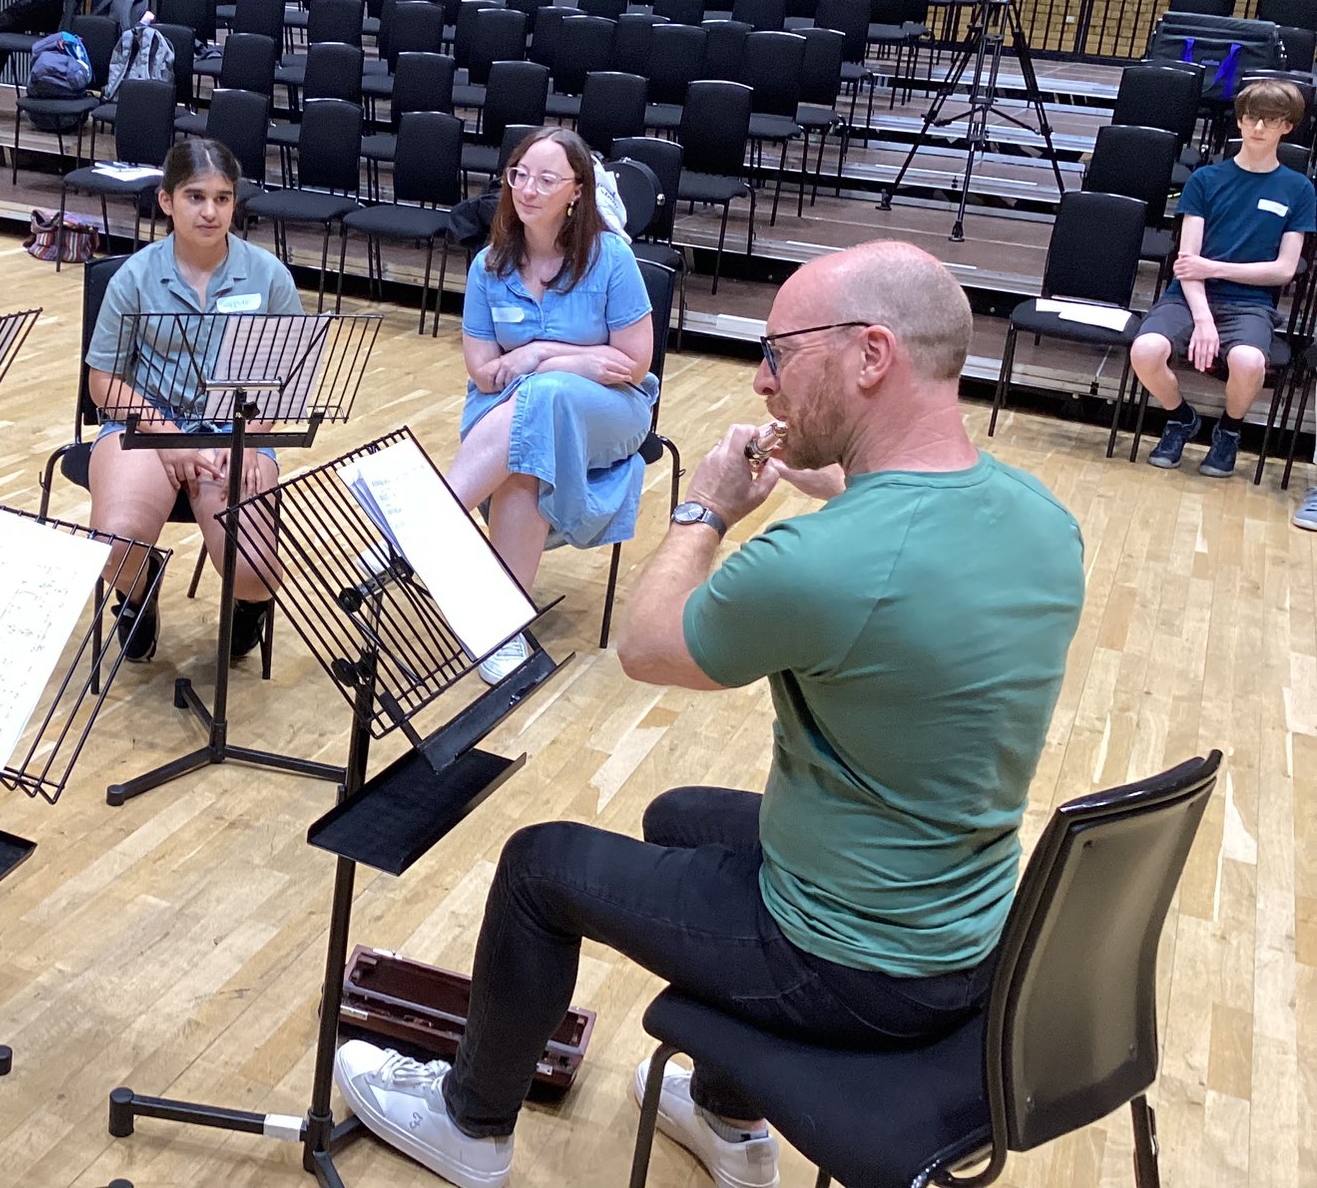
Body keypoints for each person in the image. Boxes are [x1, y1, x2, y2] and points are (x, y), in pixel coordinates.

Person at [332, 242, 1086, 1188]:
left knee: (538, 867)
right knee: (681, 817)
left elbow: (648, 647)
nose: (764, 382)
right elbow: (908, 554)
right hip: (965, 938)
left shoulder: (824, 563)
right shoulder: (1038, 516)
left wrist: (706, 510)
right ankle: (730, 1115)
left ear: (871, 355)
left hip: (847, 967)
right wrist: (843, 481)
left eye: (782, 353)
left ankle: (469, 1126)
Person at [446, 127, 656, 681]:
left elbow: (632, 364)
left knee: (545, 394)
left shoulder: (610, 258)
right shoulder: (488, 265)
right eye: (519, 175)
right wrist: (571, 358)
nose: (527, 189)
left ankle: (432, 519)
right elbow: (485, 372)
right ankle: (501, 626)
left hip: (611, 409)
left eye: (545, 179)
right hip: (504, 411)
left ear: (576, 191)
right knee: (528, 450)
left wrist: (544, 358)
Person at [83, 136, 305, 660]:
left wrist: (246, 440)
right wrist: (168, 437)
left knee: (256, 570)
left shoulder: (269, 276)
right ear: (167, 200)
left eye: (222, 198)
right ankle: (138, 596)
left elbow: (288, 381)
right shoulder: (134, 276)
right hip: (146, 425)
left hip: (233, 429)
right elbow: (104, 382)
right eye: (195, 197)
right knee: (115, 546)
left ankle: (248, 606)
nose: (210, 212)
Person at [1128, 77, 1314, 477]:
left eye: (1270, 120)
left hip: (1250, 303)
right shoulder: (1205, 180)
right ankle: (1180, 418)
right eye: (1251, 117)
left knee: (1248, 361)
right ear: (1240, 121)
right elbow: (1187, 263)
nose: (1258, 127)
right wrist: (1203, 319)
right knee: (1145, 350)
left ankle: (1229, 430)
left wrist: (1214, 268)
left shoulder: (1299, 189)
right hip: (1188, 297)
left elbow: (1284, 269)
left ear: (1287, 126)